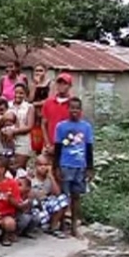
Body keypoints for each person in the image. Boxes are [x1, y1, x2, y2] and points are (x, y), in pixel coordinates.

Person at [54, 97, 94, 239]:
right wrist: (56, 167)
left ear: (81, 110)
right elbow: (57, 148)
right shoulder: (61, 127)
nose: (74, 111)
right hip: (65, 165)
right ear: (68, 109)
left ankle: (74, 226)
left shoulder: (86, 127)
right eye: (72, 108)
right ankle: (61, 224)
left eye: (77, 108)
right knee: (64, 197)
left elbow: (89, 148)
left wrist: (90, 168)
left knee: (76, 196)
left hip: (80, 166)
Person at [31, 154, 69, 237]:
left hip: (46, 201)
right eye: (40, 165)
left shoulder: (49, 178)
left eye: (46, 165)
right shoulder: (31, 178)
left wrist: (51, 177)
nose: (43, 167)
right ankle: (38, 226)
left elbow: (58, 193)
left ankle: (53, 227)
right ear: (35, 166)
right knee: (39, 216)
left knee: (62, 199)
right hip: (36, 205)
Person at [41, 73, 73, 159]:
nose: (61, 86)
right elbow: (43, 124)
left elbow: (74, 129)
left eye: (65, 83)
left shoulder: (73, 105)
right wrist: (48, 144)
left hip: (66, 147)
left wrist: (60, 146)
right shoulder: (48, 102)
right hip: (48, 147)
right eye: (59, 83)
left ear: (70, 86)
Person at [8, 82, 34, 169]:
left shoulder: (29, 107)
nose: (18, 95)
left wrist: (14, 131)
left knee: (18, 167)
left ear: (25, 94)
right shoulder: (8, 105)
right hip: (7, 140)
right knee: (7, 166)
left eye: (21, 93)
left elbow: (29, 126)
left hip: (23, 140)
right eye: (16, 92)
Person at [29, 63, 51, 155]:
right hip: (35, 114)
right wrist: (36, 85)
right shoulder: (33, 84)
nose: (38, 73)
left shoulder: (50, 83)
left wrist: (36, 104)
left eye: (41, 70)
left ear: (45, 72)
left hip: (45, 112)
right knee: (35, 135)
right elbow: (30, 99)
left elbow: (49, 99)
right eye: (36, 71)